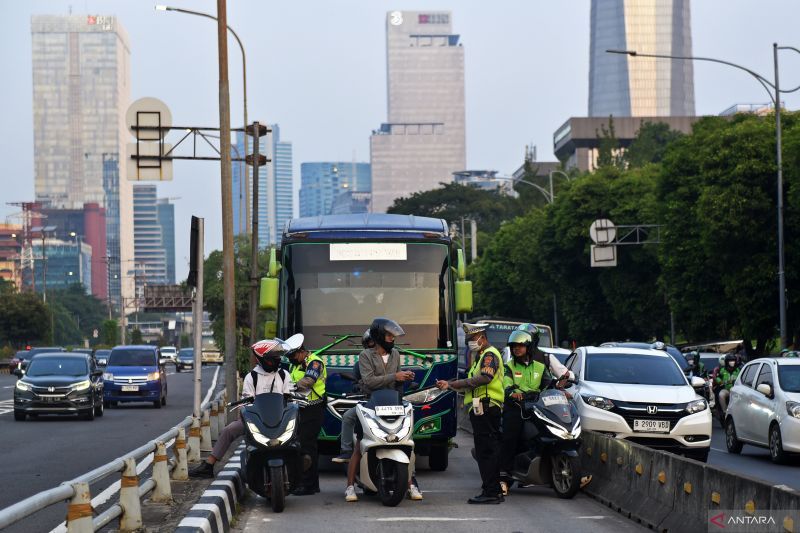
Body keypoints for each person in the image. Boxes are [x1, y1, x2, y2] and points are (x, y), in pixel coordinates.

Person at [190, 338, 294, 478]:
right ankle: (209, 464)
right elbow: (247, 402)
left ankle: (300, 461)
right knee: (229, 430)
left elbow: (290, 398)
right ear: (263, 359)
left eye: (277, 358)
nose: (276, 361)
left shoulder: (284, 375)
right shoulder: (252, 377)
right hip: (257, 419)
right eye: (273, 358)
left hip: (281, 419)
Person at [344, 318, 422, 502]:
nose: (392, 339)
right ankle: (349, 487)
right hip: (371, 404)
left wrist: (405, 377)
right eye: (388, 335)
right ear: (379, 336)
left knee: (406, 443)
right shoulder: (365, 356)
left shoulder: (395, 354)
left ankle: (411, 483)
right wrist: (394, 375)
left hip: (393, 404)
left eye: (393, 335)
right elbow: (369, 381)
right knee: (359, 446)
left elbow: (396, 381)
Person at [436, 322, 505, 504]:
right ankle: (492, 489)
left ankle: (491, 492)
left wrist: (454, 384)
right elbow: (469, 379)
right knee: (485, 450)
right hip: (481, 407)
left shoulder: (489, 355)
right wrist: (449, 384)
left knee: (487, 451)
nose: (471, 342)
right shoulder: (481, 356)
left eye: (473, 339)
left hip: (487, 406)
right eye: (469, 340)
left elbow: (484, 378)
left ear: (482, 337)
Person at [287, 336, 326, 495]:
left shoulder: (315, 362)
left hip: (313, 409)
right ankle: (308, 483)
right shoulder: (294, 365)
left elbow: (309, 381)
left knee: (306, 445)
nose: (291, 359)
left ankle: (308, 485)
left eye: (293, 356)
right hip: (300, 408)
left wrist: (291, 387)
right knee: (302, 445)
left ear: (302, 352)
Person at [332, 329, 373, 464]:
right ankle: (346, 451)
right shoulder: (360, 363)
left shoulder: (391, 359)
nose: (373, 347)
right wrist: (359, 387)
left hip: (389, 402)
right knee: (348, 416)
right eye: (370, 344)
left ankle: (411, 477)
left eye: (376, 344)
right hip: (370, 402)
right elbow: (356, 383)